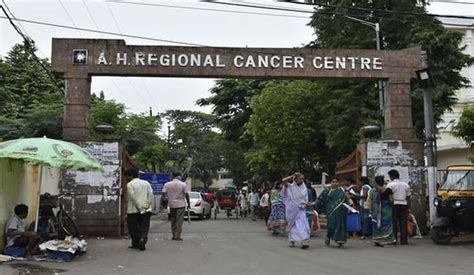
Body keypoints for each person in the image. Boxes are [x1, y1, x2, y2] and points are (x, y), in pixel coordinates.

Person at [125, 168, 154, 251]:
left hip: (133, 210)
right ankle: (143, 238)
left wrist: (140, 207)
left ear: (130, 176)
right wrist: (146, 205)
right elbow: (150, 195)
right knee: (144, 225)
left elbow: (133, 197)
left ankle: (136, 242)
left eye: (126, 176)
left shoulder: (130, 185)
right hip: (146, 209)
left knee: (133, 227)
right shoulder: (146, 183)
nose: (126, 179)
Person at [317, 177, 349, 248]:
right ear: (330, 183)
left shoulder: (342, 190)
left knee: (340, 225)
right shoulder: (327, 191)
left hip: (341, 211)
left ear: (339, 183)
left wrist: (350, 205)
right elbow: (320, 200)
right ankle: (328, 236)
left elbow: (347, 199)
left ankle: (340, 241)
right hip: (331, 211)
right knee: (332, 225)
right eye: (333, 182)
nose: (335, 183)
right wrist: (319, 208)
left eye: (336, 182)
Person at [282, 172, 311, 249]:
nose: (301, 180)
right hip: (291, 209)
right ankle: (292, 240)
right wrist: (292, 176)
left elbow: (305, 199)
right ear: (296, 179)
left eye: (302, 179)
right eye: (300, 178)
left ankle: (304, 241)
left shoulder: (304, 188)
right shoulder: (290, 187)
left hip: (301, 209)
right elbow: (284, 180)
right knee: (292, 226)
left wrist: (307, 204)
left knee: (303, 225)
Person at [161, 171, 190, 241]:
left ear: (172, 176)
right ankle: (177, 236)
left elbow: (163, 194)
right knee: (179, 221)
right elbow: (186, 194)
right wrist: (188, 203)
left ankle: (174, 235)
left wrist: (164, 203)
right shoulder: (183, 184)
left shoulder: (167, 184)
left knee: (173, 220)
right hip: (181, 205)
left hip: (171, 205)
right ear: (179, 176)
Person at [369, 176, 396, 247]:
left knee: (377, 224)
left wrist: (371, 210)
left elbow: (371, 201)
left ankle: (378, 240)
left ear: (376, 182)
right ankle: (387, 240)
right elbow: (391, 200)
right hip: (386, 209)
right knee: (387, 224)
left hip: (377, 210)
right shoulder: (388, 189)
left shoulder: (373, 190)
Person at [387, 169, 411, 245]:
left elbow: (388, 195)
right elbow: (408, 197)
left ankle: (394, 240)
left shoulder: (390, 185)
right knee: (403, 222)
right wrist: (409, 207)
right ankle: (404, 240)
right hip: (404, 204)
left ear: (392, 176)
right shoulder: (405, 184)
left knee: (394, 222)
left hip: (395, 204)